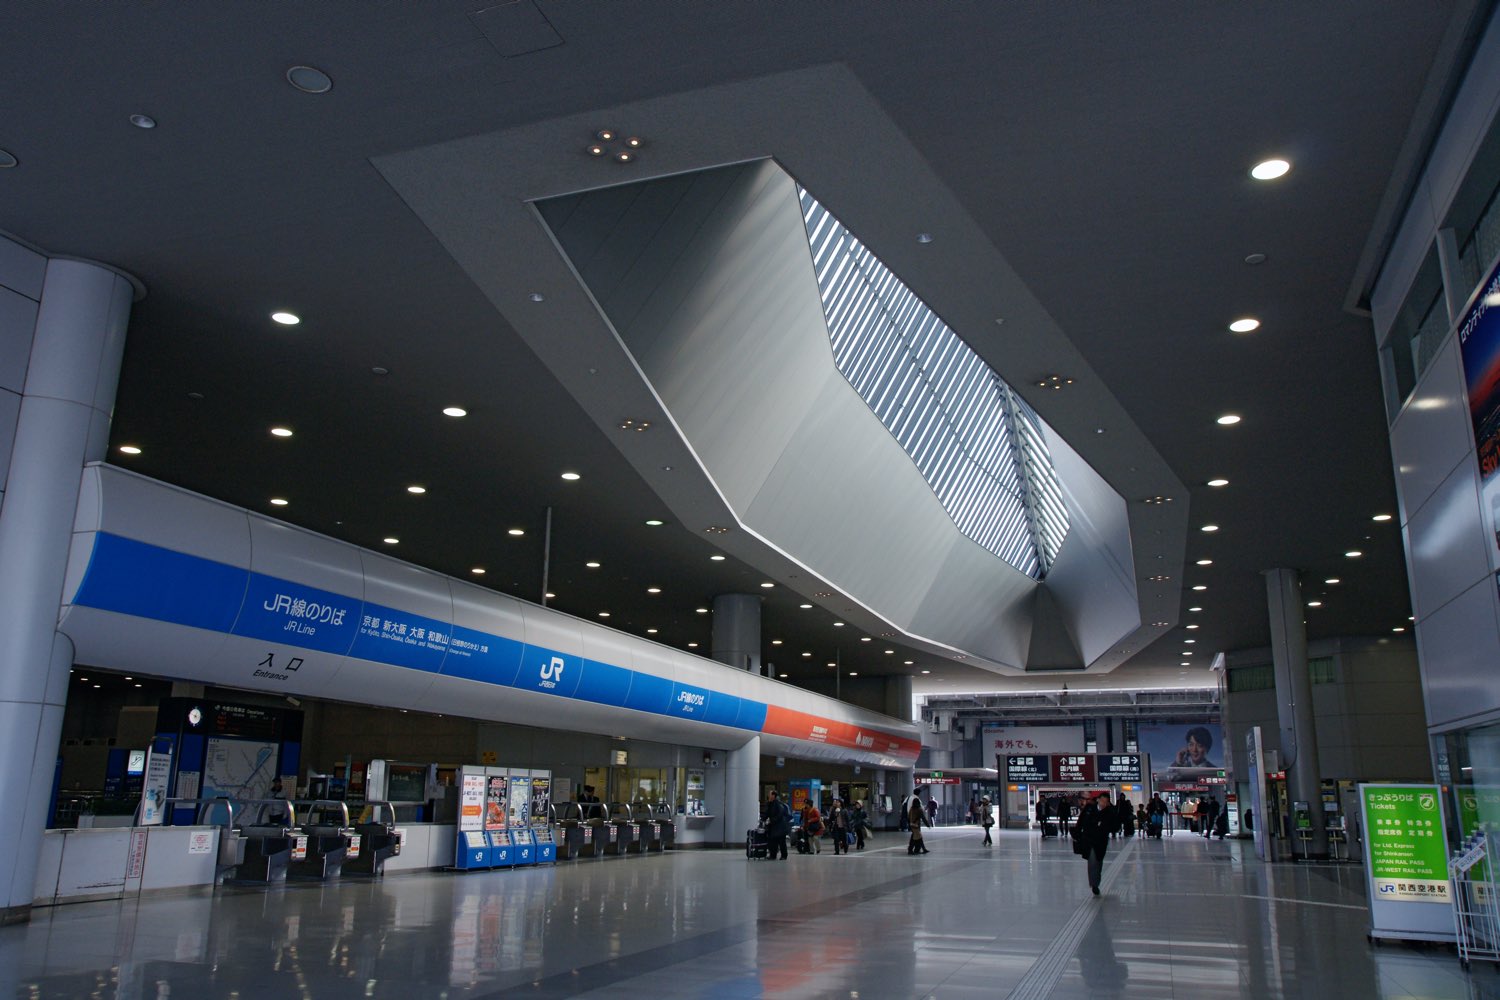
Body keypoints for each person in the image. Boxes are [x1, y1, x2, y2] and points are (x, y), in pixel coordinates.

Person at [1074, 792, 1119, 895]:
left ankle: (1096, 881)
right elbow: (1081, 821)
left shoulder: (1109, 812)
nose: (1103, 803)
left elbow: (1115, 826)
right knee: (1092, 861)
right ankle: (1094, 884)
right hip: (1089, 840)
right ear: (1098, 800)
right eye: (1102, 800)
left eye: (1106, 802)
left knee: (1098, 861)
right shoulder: (1090, 808)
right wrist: (1077, 833)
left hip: (1101, 841)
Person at [763, 789, 790, 861]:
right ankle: (773, 855)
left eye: (770, 794)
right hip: (773, 826)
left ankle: (784, 856)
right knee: (772, 841)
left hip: (780, 826)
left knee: (781, 842)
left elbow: (780, 814)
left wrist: (772, 820)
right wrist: (763, 819)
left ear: (774, 796)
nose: (768, 795)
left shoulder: (778, 804)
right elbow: (767, 813)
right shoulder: (770, 804)